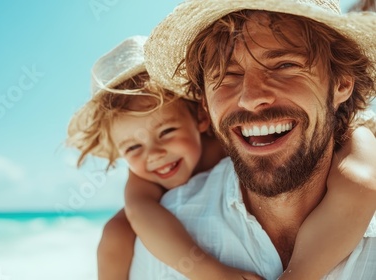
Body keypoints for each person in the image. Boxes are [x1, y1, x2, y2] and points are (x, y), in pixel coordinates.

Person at [128, 0, 376, 279]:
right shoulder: (167, 236)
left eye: (284, 65)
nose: (251, 98)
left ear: (342, 82)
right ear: (206, 105)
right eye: (227, 75)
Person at [67, 36, 262, 280]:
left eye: (167, 132)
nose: (154, 154)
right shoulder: (142, 176)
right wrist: (212, 273)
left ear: (201, 118)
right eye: (133, 148)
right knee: (115, 231)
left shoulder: (223, 144)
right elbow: (141, 213)